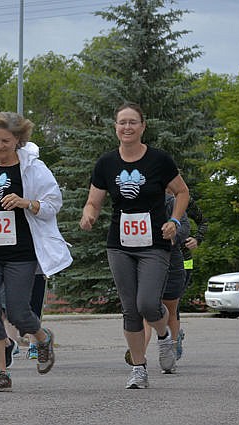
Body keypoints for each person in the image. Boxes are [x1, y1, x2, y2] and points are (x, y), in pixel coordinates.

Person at [80, 101, 190, 389]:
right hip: (120, 244)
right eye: (122, 122)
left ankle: (165, 337)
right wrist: (89, 215)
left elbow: (182, 193)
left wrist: (175, 222)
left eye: (132, 122)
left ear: (143, 126)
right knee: (130, 308)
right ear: (115, 127)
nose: (127, 127)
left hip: (154, 243)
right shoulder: (106, 163)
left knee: (147, 304)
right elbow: (94, 200)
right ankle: (139, 368)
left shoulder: (159, 160)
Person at [0, 111, 72, 392]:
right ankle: (1, 373)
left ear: (18, 140)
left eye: (5, 141)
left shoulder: (34, 169)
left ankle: (42, 337)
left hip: (21, 252)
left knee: (18, 313)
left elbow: (53, 204)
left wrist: (27, 203)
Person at [125, 190, 190, 371]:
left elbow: (185, 227)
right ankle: (139, 355)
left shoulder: (170, 202)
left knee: (170, 309)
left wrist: (173, 235)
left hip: (171, 262)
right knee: (147, 310)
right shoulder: (135, 200)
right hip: (145, 261)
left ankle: (172, 351)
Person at [177, 195, 208, 360]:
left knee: (173, 302)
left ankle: (175, 338)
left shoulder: (185, 201)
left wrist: (197, 239)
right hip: (159, 259)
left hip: (184, 261)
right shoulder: (154, 196)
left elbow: (204, 221)